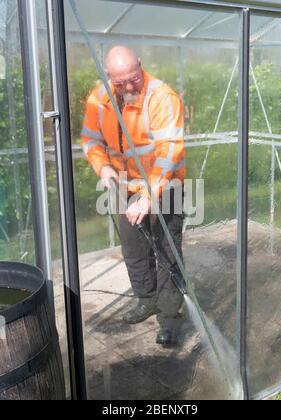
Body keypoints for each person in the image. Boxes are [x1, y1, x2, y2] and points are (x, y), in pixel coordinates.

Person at [81, 46, 186, 346]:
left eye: (133, 78)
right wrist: (103, 169)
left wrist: (150, 195)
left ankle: (168, 317)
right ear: (108, 76)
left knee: (167, 252)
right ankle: (146, 299)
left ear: (141, 65)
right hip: (124, 186)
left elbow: (169, 153)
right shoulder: (98, 99)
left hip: (166, 188)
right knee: (134, 249)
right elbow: (90, 139)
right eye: (120, 82)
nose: (128, 87)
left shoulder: (161, 97)